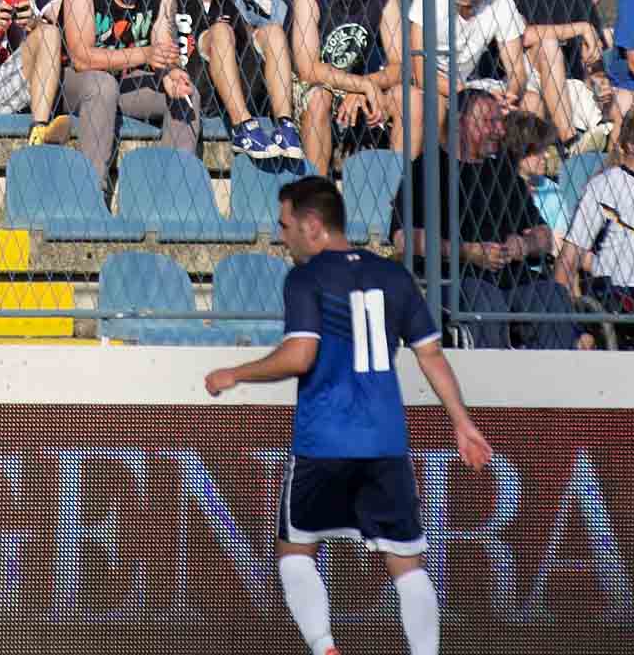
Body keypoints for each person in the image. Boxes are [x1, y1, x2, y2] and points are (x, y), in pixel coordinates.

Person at [200, 173, 494, 655]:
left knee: (295, 553)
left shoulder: (306, 278)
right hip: (385, 445)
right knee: (408, 565)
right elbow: (431, 355)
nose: (281, 237)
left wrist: (236, 373)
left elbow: (300, 356)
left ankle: (325, 648)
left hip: (325, 444)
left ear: (312, 226)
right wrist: (462, 423)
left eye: (286, 226)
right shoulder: (394, 276)